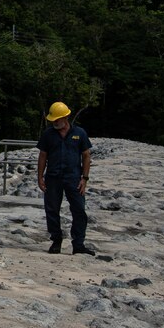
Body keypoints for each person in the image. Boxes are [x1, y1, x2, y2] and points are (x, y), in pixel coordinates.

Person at [36, 101, 95, 256]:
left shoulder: (80, 133)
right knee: (52, 210)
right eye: (53, 120)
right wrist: (40, 177)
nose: (55, 122)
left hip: (74, 178)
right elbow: (43, 156)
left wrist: (85, 178)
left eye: (57, 119)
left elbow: (86, 155)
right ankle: (56, 240)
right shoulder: (48, 135)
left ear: (65, 117)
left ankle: (78, 244)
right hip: (53, 177)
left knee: (79, 210)